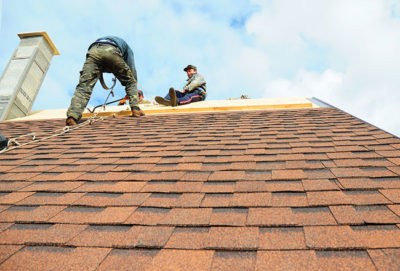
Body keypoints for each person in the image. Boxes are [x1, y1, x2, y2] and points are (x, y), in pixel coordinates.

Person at [66, 36, 145, 126]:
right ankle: (136, 109)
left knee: (84, 86)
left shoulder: (107, 39)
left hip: (93, 51)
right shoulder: (128, 49)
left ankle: (72, 116)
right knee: (130, 81)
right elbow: (132, 70)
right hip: (111, 50)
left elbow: (102, 59)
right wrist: (134, 93)